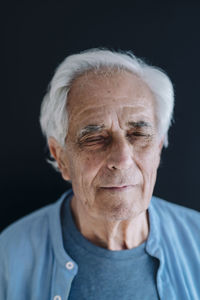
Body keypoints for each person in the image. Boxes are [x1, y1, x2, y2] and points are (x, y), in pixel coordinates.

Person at [0, 49, 200, 300]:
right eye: (94, 138)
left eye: (138, 135)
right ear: (61, 157)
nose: (122, 159)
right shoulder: (8, 258)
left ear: (158, 148)